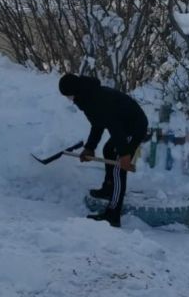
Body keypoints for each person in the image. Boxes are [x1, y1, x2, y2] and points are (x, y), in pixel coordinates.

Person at [59, 73, 148, 227]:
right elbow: (97, 124)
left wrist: (125, 154)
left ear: (74, 91)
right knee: (108, 150)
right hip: (123, 126)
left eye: (69, 96)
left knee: (118, 167)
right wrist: (89, 148)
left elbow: (115, 127)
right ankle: (108, 188)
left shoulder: (98, 99)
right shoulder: (87, 97)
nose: (69, 99)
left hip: (134, 126)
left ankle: (113, 214)